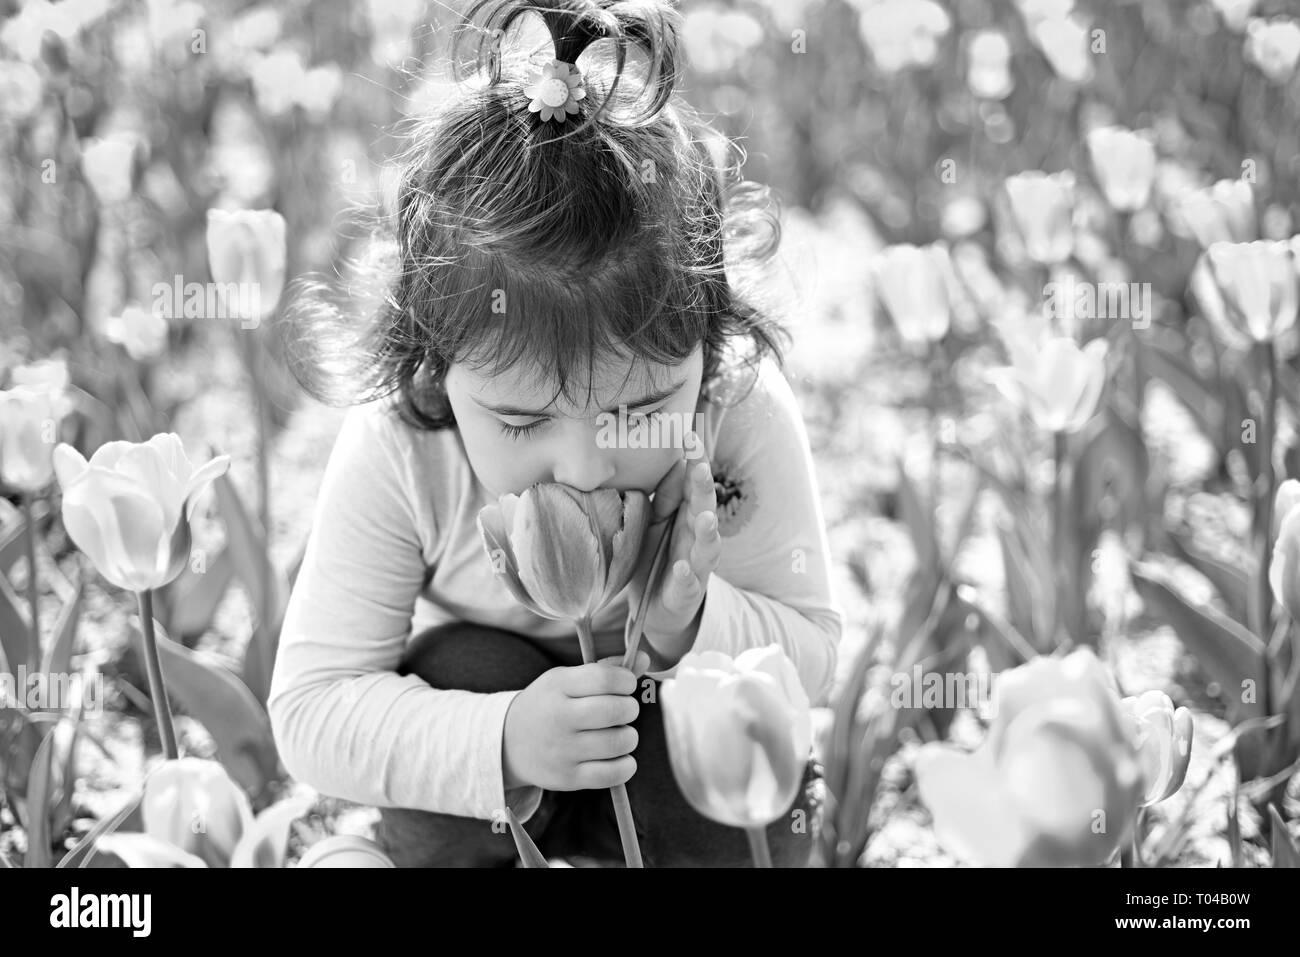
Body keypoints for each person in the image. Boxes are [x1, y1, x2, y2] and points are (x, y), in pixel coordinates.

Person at [268, 0, 842, 867]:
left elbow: (816, 659)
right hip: (491, 795)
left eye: (643, 406)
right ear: (433, 370)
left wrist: (695, 628)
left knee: (728, 720)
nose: (582, 464)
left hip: (667, 792)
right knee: (466, 662)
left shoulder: (737, 411)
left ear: (711, 344)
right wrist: (506, 738)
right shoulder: (401, 443)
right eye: (523, 420)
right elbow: (310, 710)